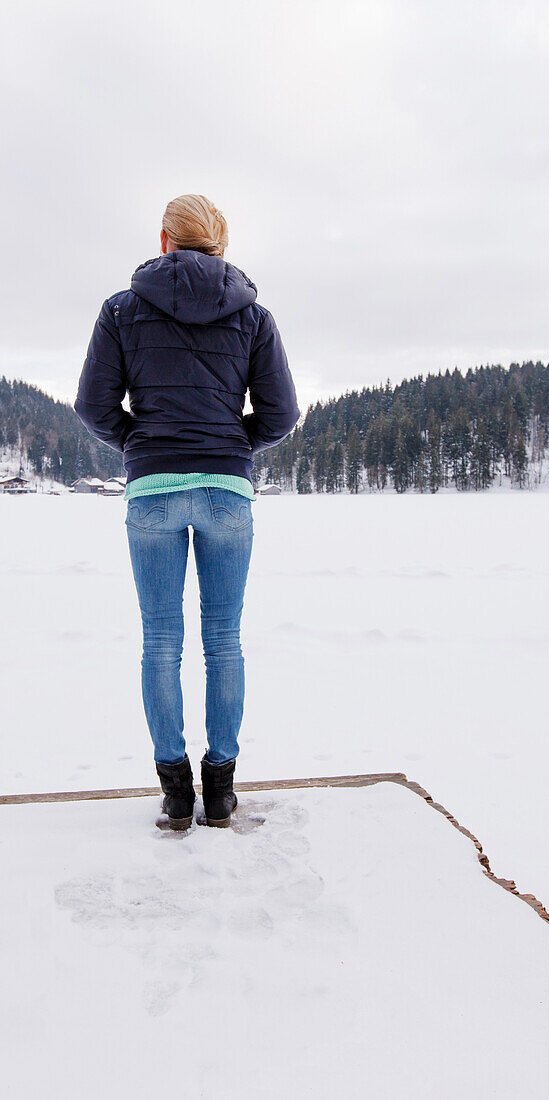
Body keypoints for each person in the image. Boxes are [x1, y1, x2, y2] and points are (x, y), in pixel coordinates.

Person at [74, 194, 300, 830]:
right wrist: (232, 444)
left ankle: (176, 792)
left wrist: (141, 445)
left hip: (153, 490)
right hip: (227, 488)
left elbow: (94, 407)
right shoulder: (253, 316)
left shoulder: (121, 310)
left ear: (166, 240)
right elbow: (280, 415)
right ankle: (221, 791)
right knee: (223, 637)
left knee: (161, 640)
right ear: (219, 243)